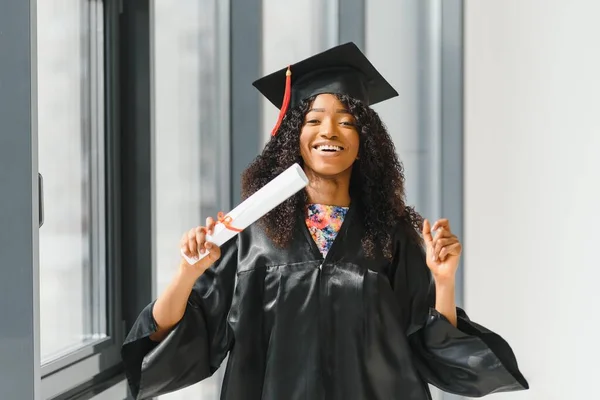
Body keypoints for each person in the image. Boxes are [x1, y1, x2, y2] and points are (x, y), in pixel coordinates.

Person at [121, 42, 529, 400]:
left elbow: (430, 344)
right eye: (313, 120)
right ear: (291, 136)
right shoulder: (251, 233)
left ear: (365, 138)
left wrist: (443, 281)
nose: (329, 131)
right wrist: (185, 275)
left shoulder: (392, 234)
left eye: (347, 121)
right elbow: (183, 339)